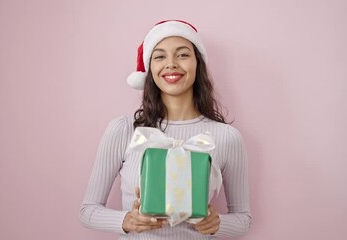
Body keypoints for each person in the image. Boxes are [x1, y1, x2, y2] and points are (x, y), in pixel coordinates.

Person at [79, 20, 251, 239]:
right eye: (160, 56)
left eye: (182, 55)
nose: (171, 64)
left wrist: (216, 223)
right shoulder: (124, 131)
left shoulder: (226, 137)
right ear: (150, 68)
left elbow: (243, 219)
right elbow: (87, 211)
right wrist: (127, 220)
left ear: (197, 63)